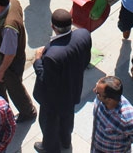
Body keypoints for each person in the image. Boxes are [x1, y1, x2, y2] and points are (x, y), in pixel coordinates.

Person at [32, 9, 92, 153]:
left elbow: (45, 79)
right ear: (71, 22)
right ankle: (66, 141)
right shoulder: (84, 34)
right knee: (67, 118)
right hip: (73, 89)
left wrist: (37, 61)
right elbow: (86, 60)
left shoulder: (52, 54)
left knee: (49, 124)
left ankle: (50, 147)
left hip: (53, 100)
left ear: (53, 27)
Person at [0, 0, 37, 123]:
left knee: (15, 89)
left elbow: (10, 54)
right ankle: (1, 111)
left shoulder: (9, 27)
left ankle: (28, 112)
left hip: (9, 62)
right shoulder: (12, 1)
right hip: (1, 56)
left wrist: (2, 70)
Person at [91, 76, 133, 151]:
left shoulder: (128, 120)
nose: (94, 91)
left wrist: (124, 144)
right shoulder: (100, 100)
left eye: (98, 93)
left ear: (109, 99)